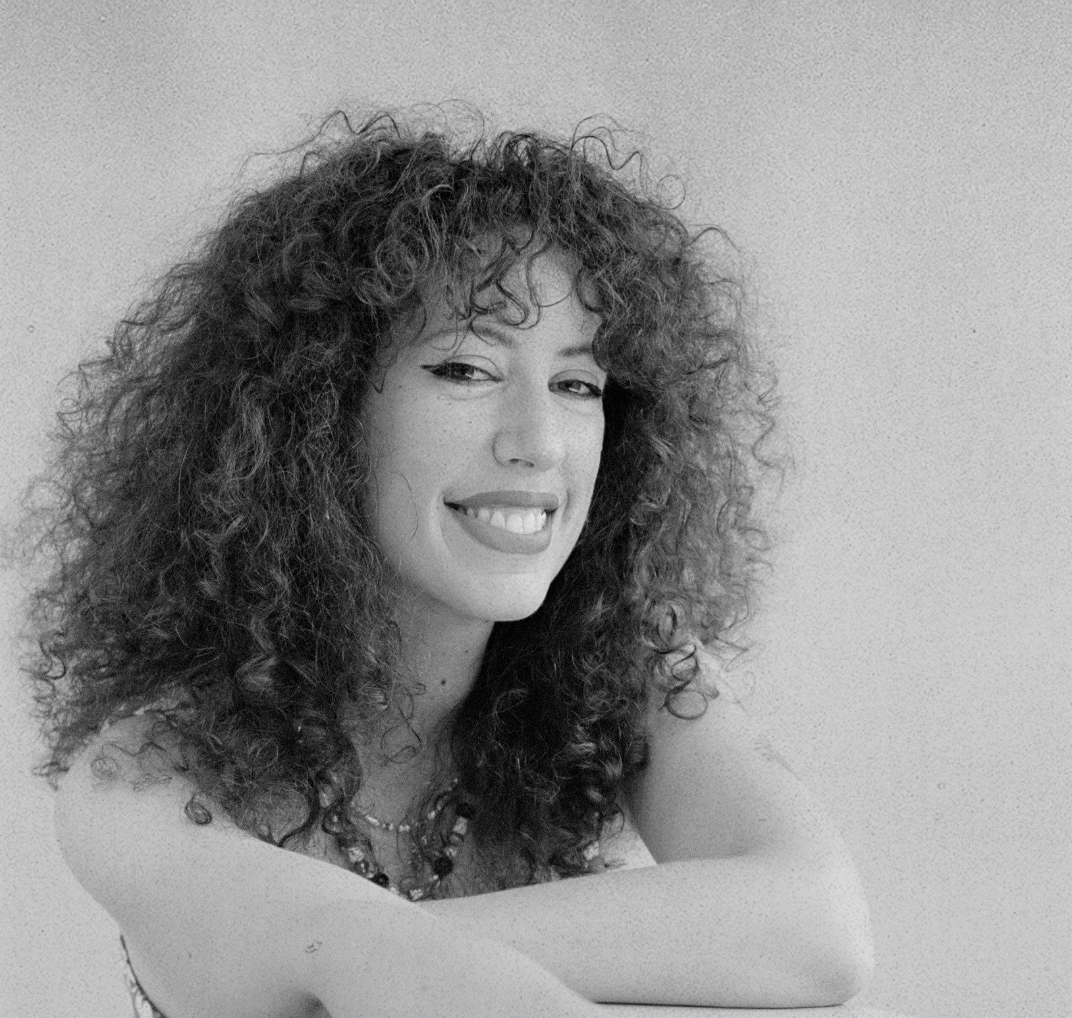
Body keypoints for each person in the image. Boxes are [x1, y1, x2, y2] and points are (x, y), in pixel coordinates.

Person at [26, 110, 873, 1018]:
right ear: (313, 415)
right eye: (466, 369)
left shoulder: (625, 666)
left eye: (578, 385)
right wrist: (349, 955)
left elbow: (818, 932)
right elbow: (376, 978)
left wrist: (330, 948)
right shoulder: (140, 774)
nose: (539, 443)